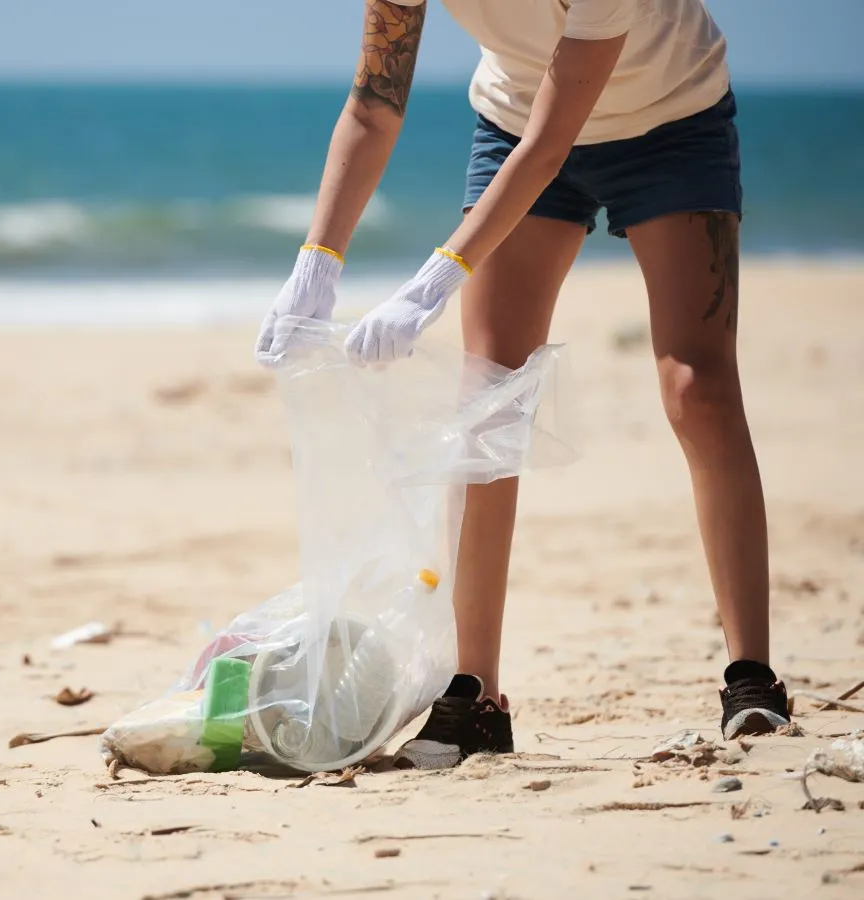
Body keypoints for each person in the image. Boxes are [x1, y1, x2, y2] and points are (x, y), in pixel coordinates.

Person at [255, 0, 790, 770]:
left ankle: (753, 678)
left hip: (672, 121)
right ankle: (474, 696)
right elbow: (374, 105)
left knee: (696, 386)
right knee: (487, 400)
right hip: (514, 124)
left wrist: (436, 277)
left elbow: (554, 142)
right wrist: (318, 262)